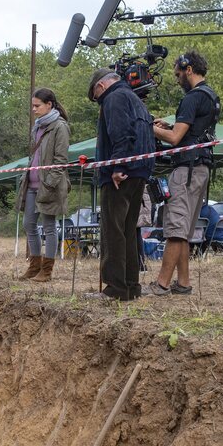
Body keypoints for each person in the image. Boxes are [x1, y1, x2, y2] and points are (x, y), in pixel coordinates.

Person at [148, 51, 220, 296]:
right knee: (186, 229)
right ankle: (184, 283)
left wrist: (151, 128)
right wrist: (170, 126)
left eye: (178, 73)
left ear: (188, 69)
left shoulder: (192, 98)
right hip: (201, 168)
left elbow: (176, 138)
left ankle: (161, 284)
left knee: (176, 228)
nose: (176, 78)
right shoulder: (211, 96)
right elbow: (192, 132)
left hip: (186, 169)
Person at [85, 69, 156, 301]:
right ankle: (130, 287)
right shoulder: (136, 100)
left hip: (121, 173)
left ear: (101, 87)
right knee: (128, 231)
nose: (99, 103)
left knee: (112, 230)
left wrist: (117, 167)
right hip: (140, 172)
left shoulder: (114, 98)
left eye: (97, 99)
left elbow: (121, 132)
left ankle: (115, 289)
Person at [16, 88, 71, 282]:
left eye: (37, 105)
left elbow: (61, 160)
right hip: (31, 185)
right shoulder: (37, 127)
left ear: (49, 105)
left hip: (49, 186)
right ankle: (34, 266)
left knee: (49, 226)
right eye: (32, 105)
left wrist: (49, 184)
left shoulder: (60, 127)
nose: (34, 109)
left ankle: (46, 270)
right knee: (29, 224)